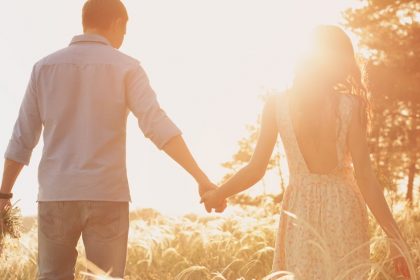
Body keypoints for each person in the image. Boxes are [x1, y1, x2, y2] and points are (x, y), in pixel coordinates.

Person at [0, 0, 225, 279]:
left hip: (57, 194)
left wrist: (4, 194)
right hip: (107, 194)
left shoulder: (44, 68)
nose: (124, 37)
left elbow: (22, 137)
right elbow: (157, 125)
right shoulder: (127, 68)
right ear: (118, 23)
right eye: (125, 30)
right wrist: (200, 178)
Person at [201, 25, 411, 279]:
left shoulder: (277, 105)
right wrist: (395, 239)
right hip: (345, 210)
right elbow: (365, 177)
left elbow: (256, 169)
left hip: (300, 211)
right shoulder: (350, 105)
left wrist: (218, 194)